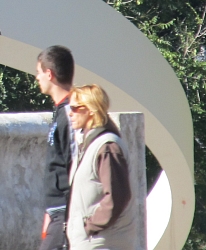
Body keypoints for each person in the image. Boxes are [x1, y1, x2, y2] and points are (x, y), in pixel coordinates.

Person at [66, 84, 134, 250]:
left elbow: (117, 196)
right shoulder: (89, 144)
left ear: (90, 110)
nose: (70, 113)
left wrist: (90, 226)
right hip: (91, 242)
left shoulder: (107, 147)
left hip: (103, 242)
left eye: (74, 108)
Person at [35, 45, 75, 250]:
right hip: (56, 211)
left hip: (66, 211)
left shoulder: (70, 114)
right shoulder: (60, 111)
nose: (37, 78)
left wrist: (66, 214)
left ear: (49, 74)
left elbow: (74, 164)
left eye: (39, 72)